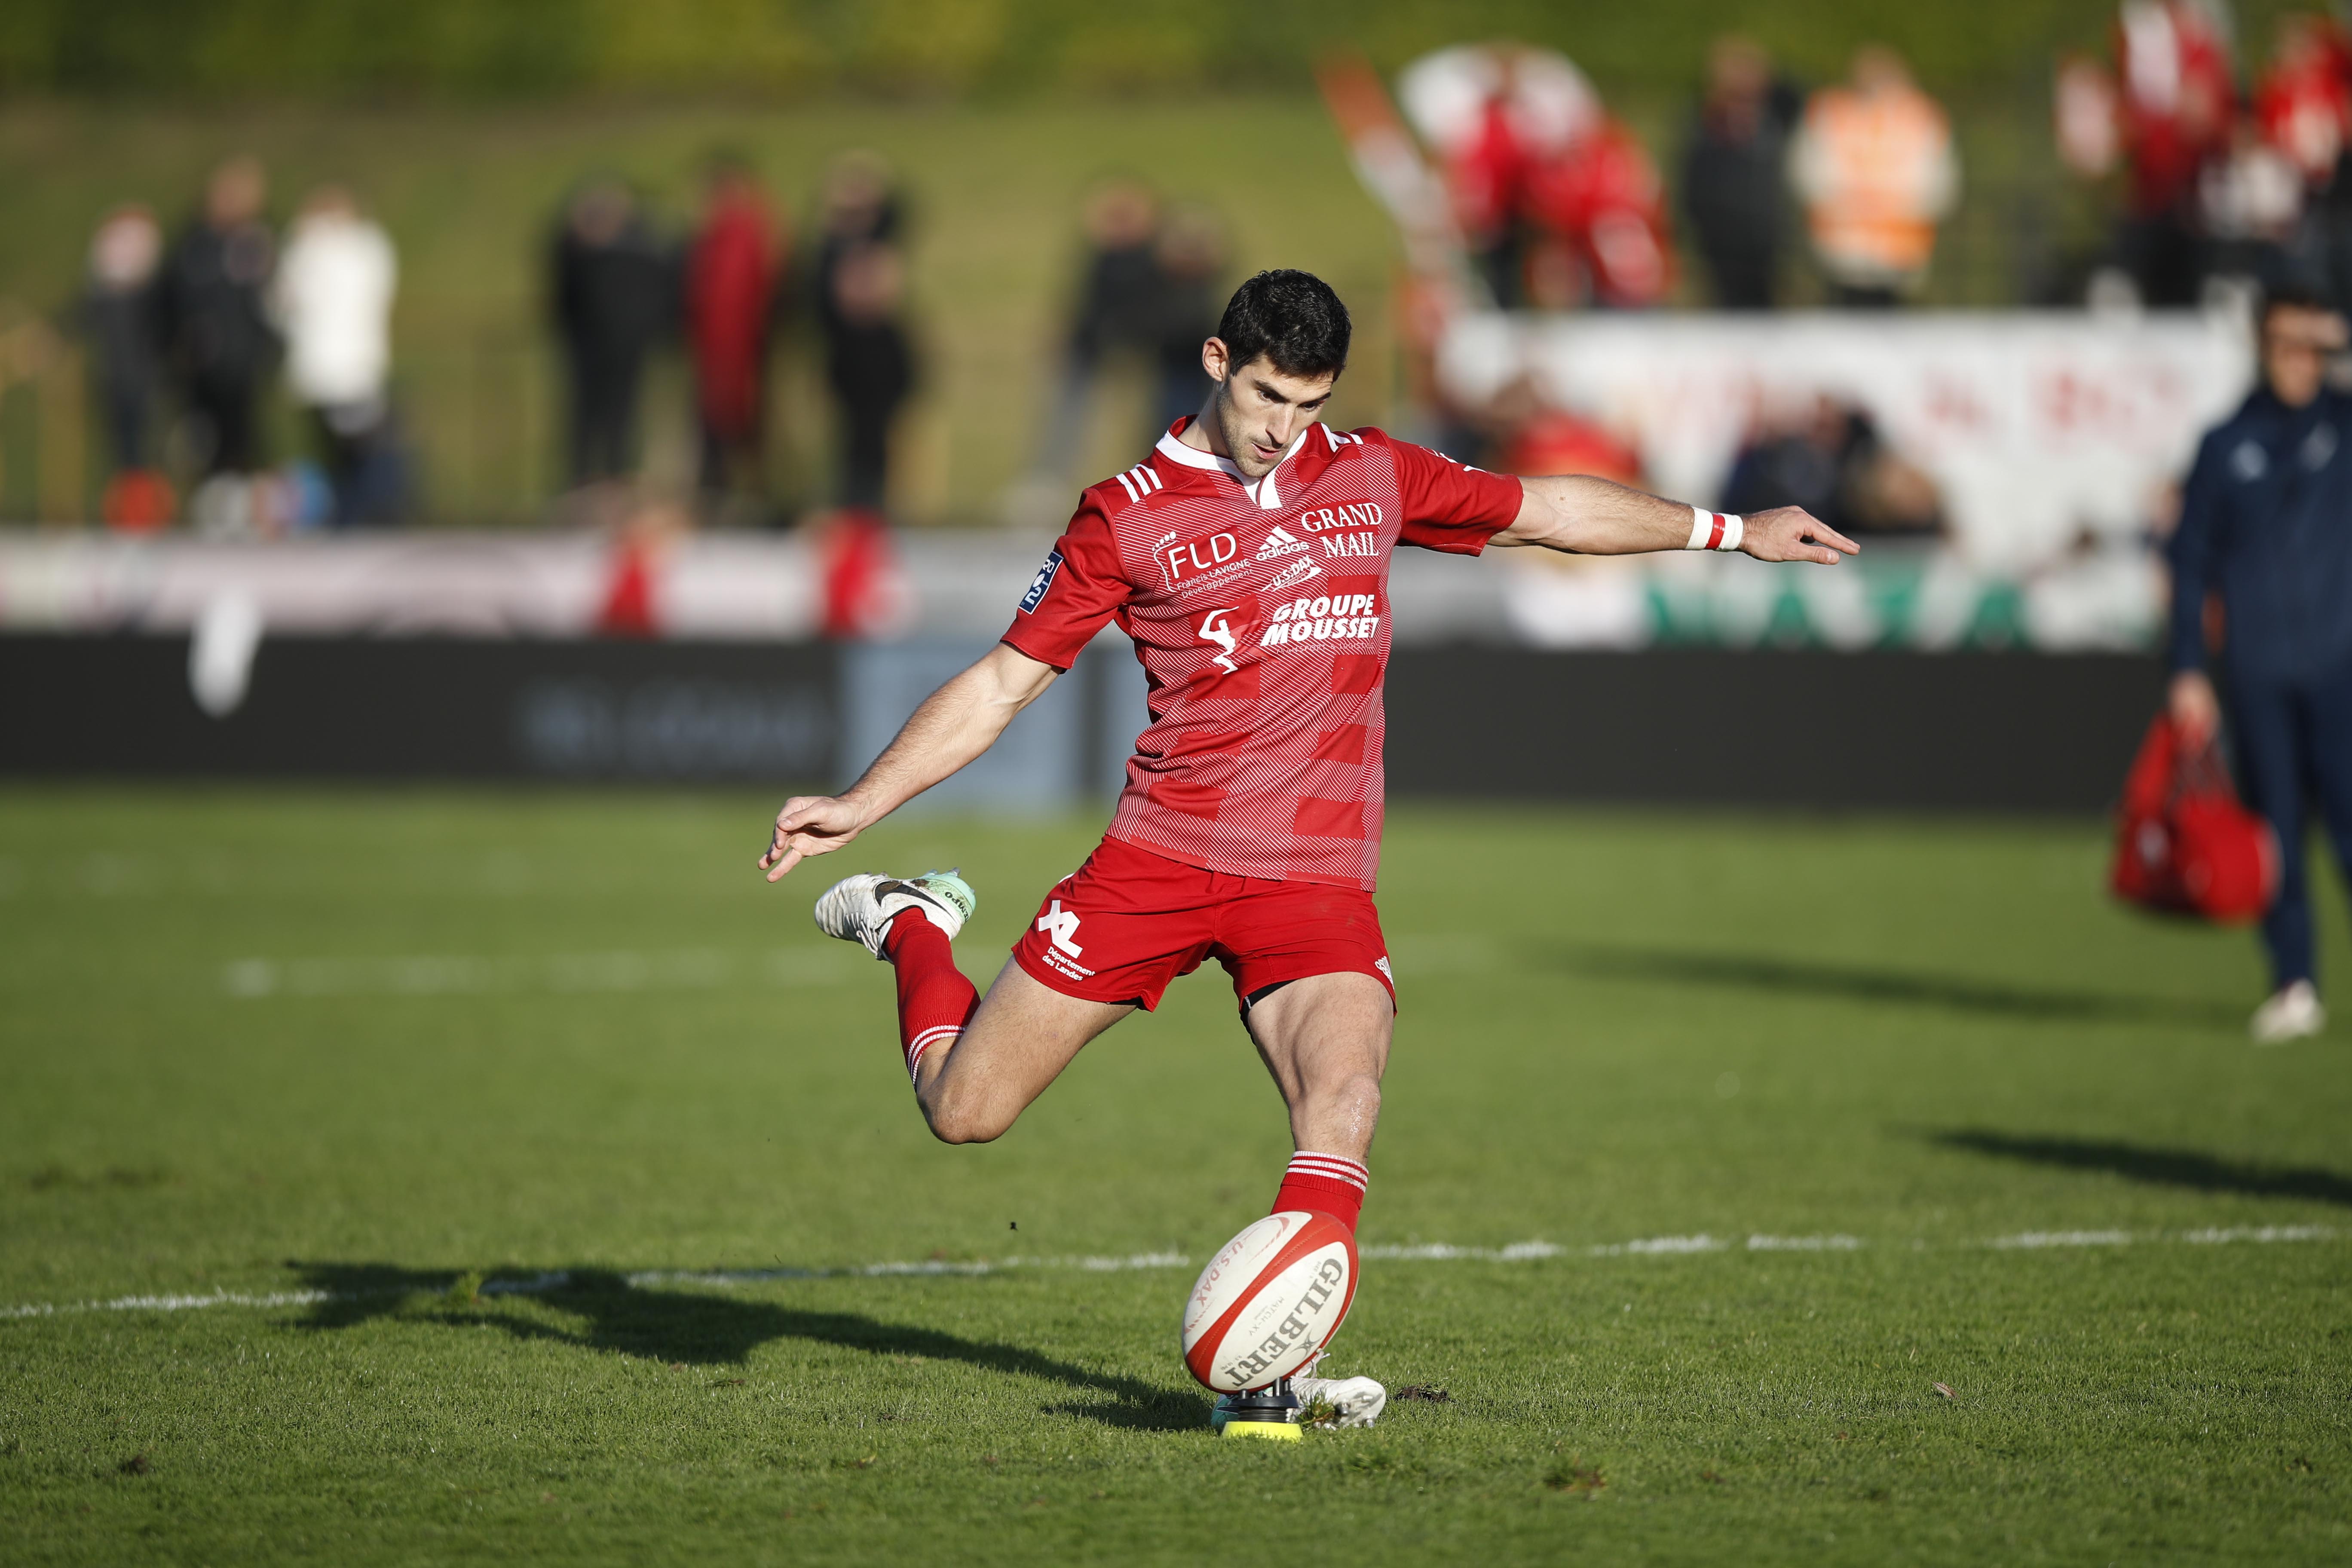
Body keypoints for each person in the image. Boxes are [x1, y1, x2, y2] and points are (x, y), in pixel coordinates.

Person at [756, 270, 1856, 1421]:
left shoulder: (1371, 471)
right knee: (963, 1110)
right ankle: (916, 924)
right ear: (1219, 363)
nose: (1286, 431)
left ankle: (1274, 1373)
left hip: (1315, 881)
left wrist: (1732, 531)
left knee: (1345, 1101)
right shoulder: (1124, 513)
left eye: (1311, 404)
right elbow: (1001, 683)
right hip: (1161, 864)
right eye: (1270, 396)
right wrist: (862, 801)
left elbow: (1549, 511)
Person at [2168, 286, 2352, 1042]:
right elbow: (2189, 564)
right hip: (2256, 672)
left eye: (2311, 346)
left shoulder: (2343, 428)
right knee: (2275, 836)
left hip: (2341, 666)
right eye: (2283, 344)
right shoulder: (2224, 443)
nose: (2297, 361)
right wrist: (2186, 668)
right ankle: (2292, 980)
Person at [1788, 46, 1958, 306]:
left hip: (1900, 249)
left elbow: (1937, 184)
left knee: (1889, 327)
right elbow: (1809, 174)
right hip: (1841, 248)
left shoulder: (1921, 115)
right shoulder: (1830, 111)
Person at [274, 185, 404, 524]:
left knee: (346, 452)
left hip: (332, 368)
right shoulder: (369, 249)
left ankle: (349, 516)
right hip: (353, 366)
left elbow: (282, 305)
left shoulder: (311, 250)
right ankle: (352, 516)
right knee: (349, 452)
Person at [158, 156, 278, 476]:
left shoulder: (258, 241)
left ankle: (245, 495)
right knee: (201, 439)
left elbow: (271, 300)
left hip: (245, 358)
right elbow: (172, 297)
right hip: (200, 359)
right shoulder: (193, 243)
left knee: (244, 437)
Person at [552, 178, 674, 487]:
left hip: (625, 347)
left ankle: (617, 476)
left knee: (622, 415)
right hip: (589, 348)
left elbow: (658, 292)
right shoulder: (579, 251)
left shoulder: (639, 249)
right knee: (587, 415)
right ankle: (585, 478)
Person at [683, 152, 784, 507]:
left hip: (741, 350)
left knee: (742, 422)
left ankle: (744, 494)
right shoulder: (718, 235)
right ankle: (728, 491)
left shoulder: (744, 233)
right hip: (719, 350)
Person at [1680, 36, 1804, 309]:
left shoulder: (1775, 116)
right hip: (1720, 245)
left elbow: (1797, 93)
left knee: (1767, 313)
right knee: (1726, 315)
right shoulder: (1706, 122)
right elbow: (1692, 182)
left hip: (1767, 243)